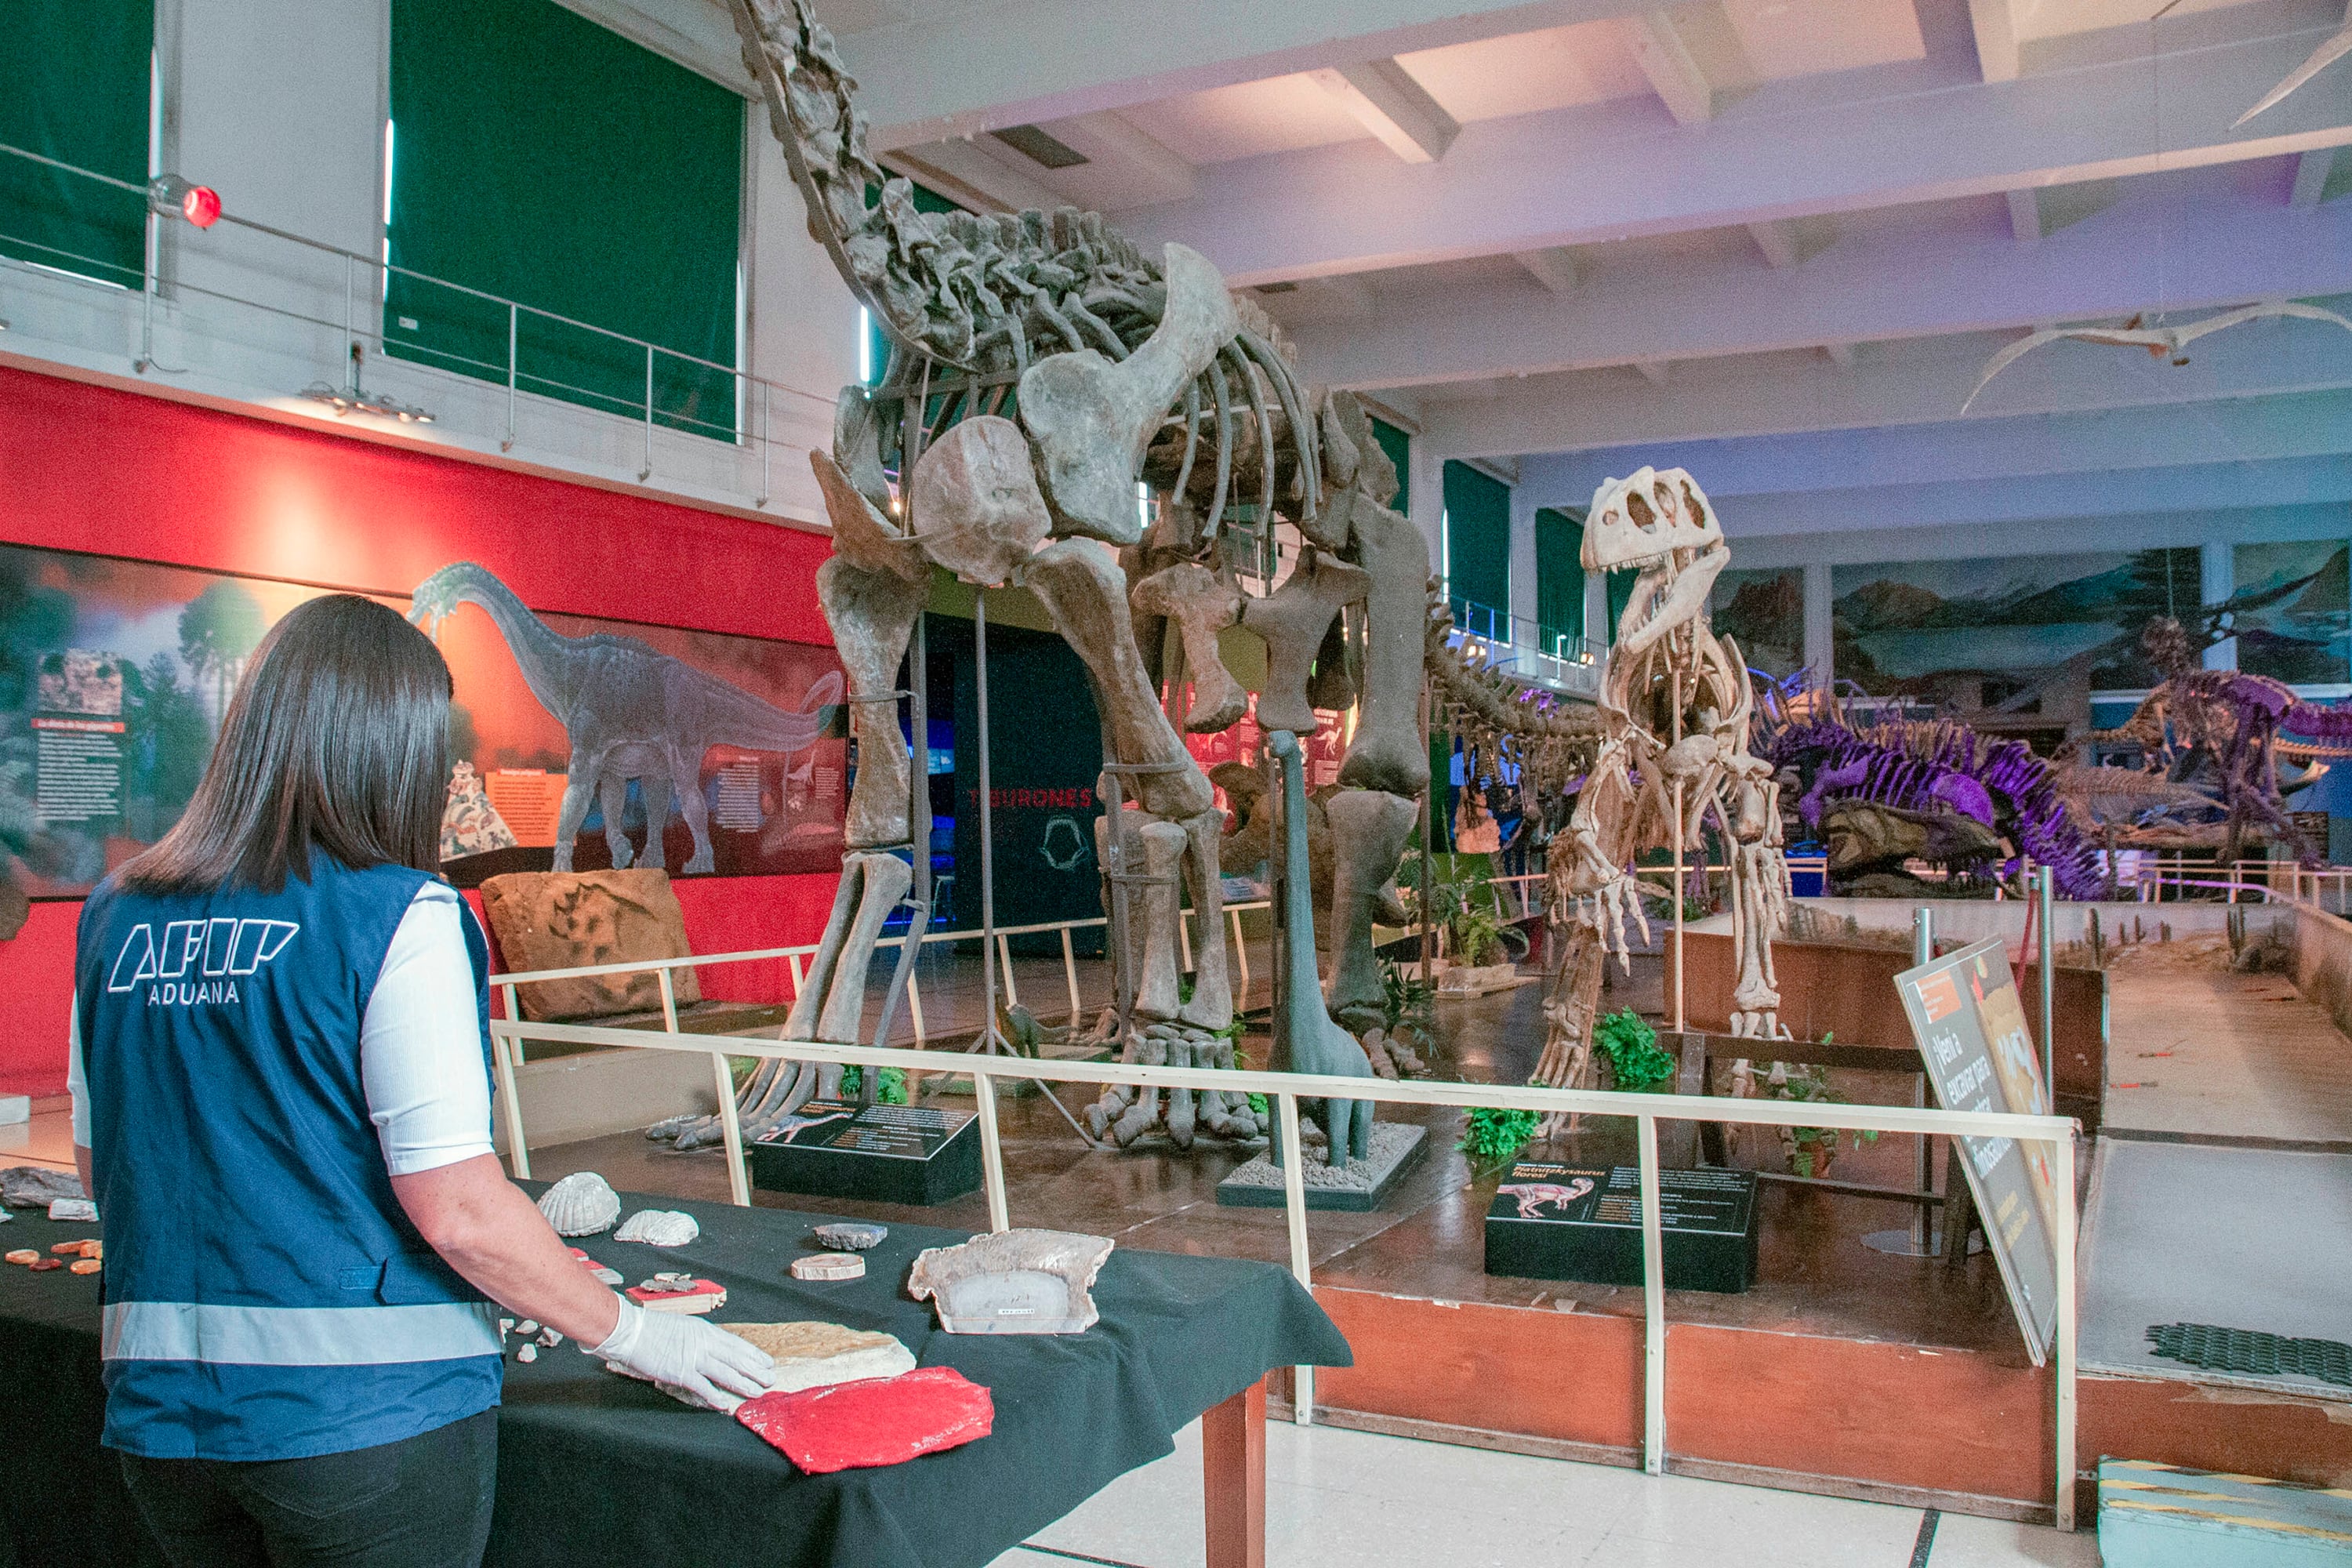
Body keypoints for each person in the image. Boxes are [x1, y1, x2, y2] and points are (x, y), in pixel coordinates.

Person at [70, 595, 774, 1567]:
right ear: (388, 748)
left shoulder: (113, 914)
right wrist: (638, 1336)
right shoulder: (399, 913)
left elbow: (101, 1158)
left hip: (161, 1418)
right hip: (367, 1420)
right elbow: (458, 1209)